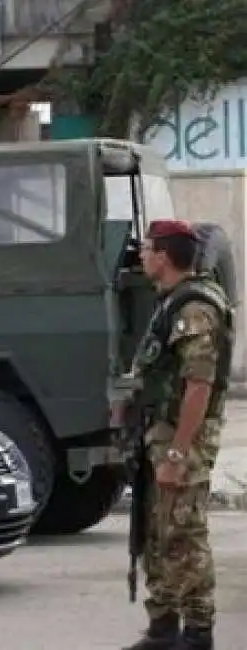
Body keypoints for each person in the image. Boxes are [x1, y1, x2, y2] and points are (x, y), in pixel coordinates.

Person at [121, 220, 232, 650]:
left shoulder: (194, 309)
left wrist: (178, 453)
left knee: (184, 532)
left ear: (164, 256)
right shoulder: (169, 302)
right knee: (157, 531)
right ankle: (164, 626)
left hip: (181, 440)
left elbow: (199, 385)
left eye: (147, 249)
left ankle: (198, 631)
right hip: (159, 433)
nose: (142, 256)